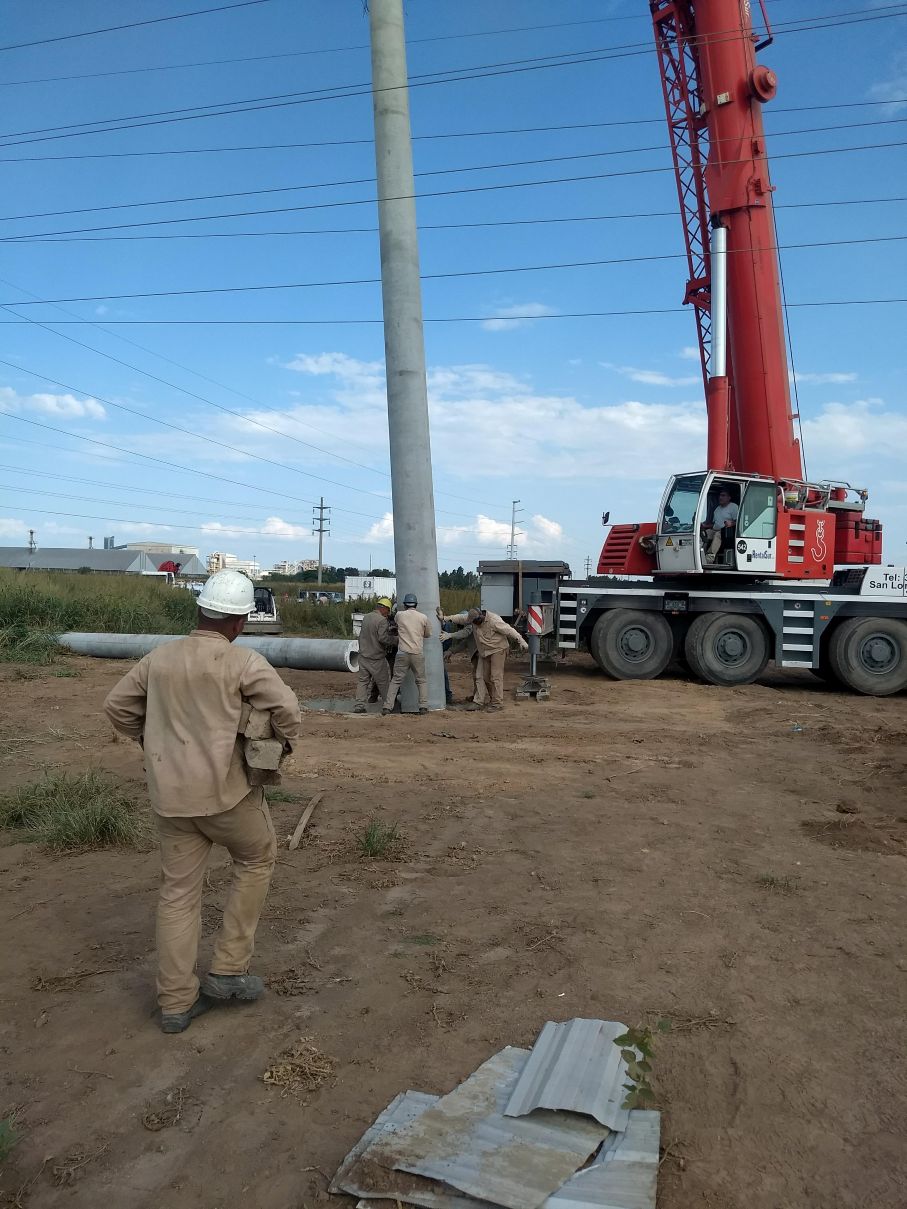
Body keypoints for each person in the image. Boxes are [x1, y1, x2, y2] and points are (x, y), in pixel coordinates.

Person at [103, 569, 301, 1035]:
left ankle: (175, 1003)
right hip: (227, 796)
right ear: (239, 621)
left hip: (170, 799)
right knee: (257, 859)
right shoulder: (243, 663)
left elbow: (116, 707)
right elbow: (287, 710)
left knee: (178, 894)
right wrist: (283, 745)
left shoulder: (159, 660)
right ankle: (228, 971)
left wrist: (150, 742)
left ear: (199, 611)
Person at [440, 606, 528, 710]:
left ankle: (497, 703)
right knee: (482, 676)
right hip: (484, 651)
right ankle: (484, 701)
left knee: (496, 677)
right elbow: (459, 618)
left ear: (480, 618)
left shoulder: (494, 621)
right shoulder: (472, 619)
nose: (473, 624)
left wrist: (521, 641)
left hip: (498, 649)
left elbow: (510, 631)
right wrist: (444, 618)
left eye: (475, 622)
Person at [383, 592, 431, 716]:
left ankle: (387, 707)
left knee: (396, 680)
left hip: (402, 653)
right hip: (417, 653)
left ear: (404, 605)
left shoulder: (399, 615)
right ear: (416, 604)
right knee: (421, 681)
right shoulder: (423, 617)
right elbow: (427, 634)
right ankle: (423, 707)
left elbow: (395, 625)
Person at [354, 596, 397, 713]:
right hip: (376, 658)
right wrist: (396, 640)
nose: (388, 614)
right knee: (383, 682)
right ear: (384, 608)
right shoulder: (381, 620)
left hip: (363, 655)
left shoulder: (366, 617)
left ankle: (359, 706)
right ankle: (388, 706)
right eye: (388, 611)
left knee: (363, 682)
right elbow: (383, 639)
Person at [441, 620, 487, 707]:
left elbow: (464, 633)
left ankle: (480, 701)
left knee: (480, 676)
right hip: (478, 653)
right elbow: (464, 643)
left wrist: (449, 635)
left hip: (482, 653)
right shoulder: (471, 627)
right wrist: (451, 651)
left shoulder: (470, 626)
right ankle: (476, 696)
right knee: (477, 676)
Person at [703, 486, 739, 564]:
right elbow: (715, 524)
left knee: (717, 535)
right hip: (715, 529)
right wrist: (704, 526)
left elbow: (740, 522)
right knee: (704, 534)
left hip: (727, 533)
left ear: (729, 497)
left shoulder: (733, 507)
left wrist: (731, 523)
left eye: (723, 495)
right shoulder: (717, 509)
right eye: (720, 495)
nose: (720, 497)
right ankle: (700, 555)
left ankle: (709, 558)